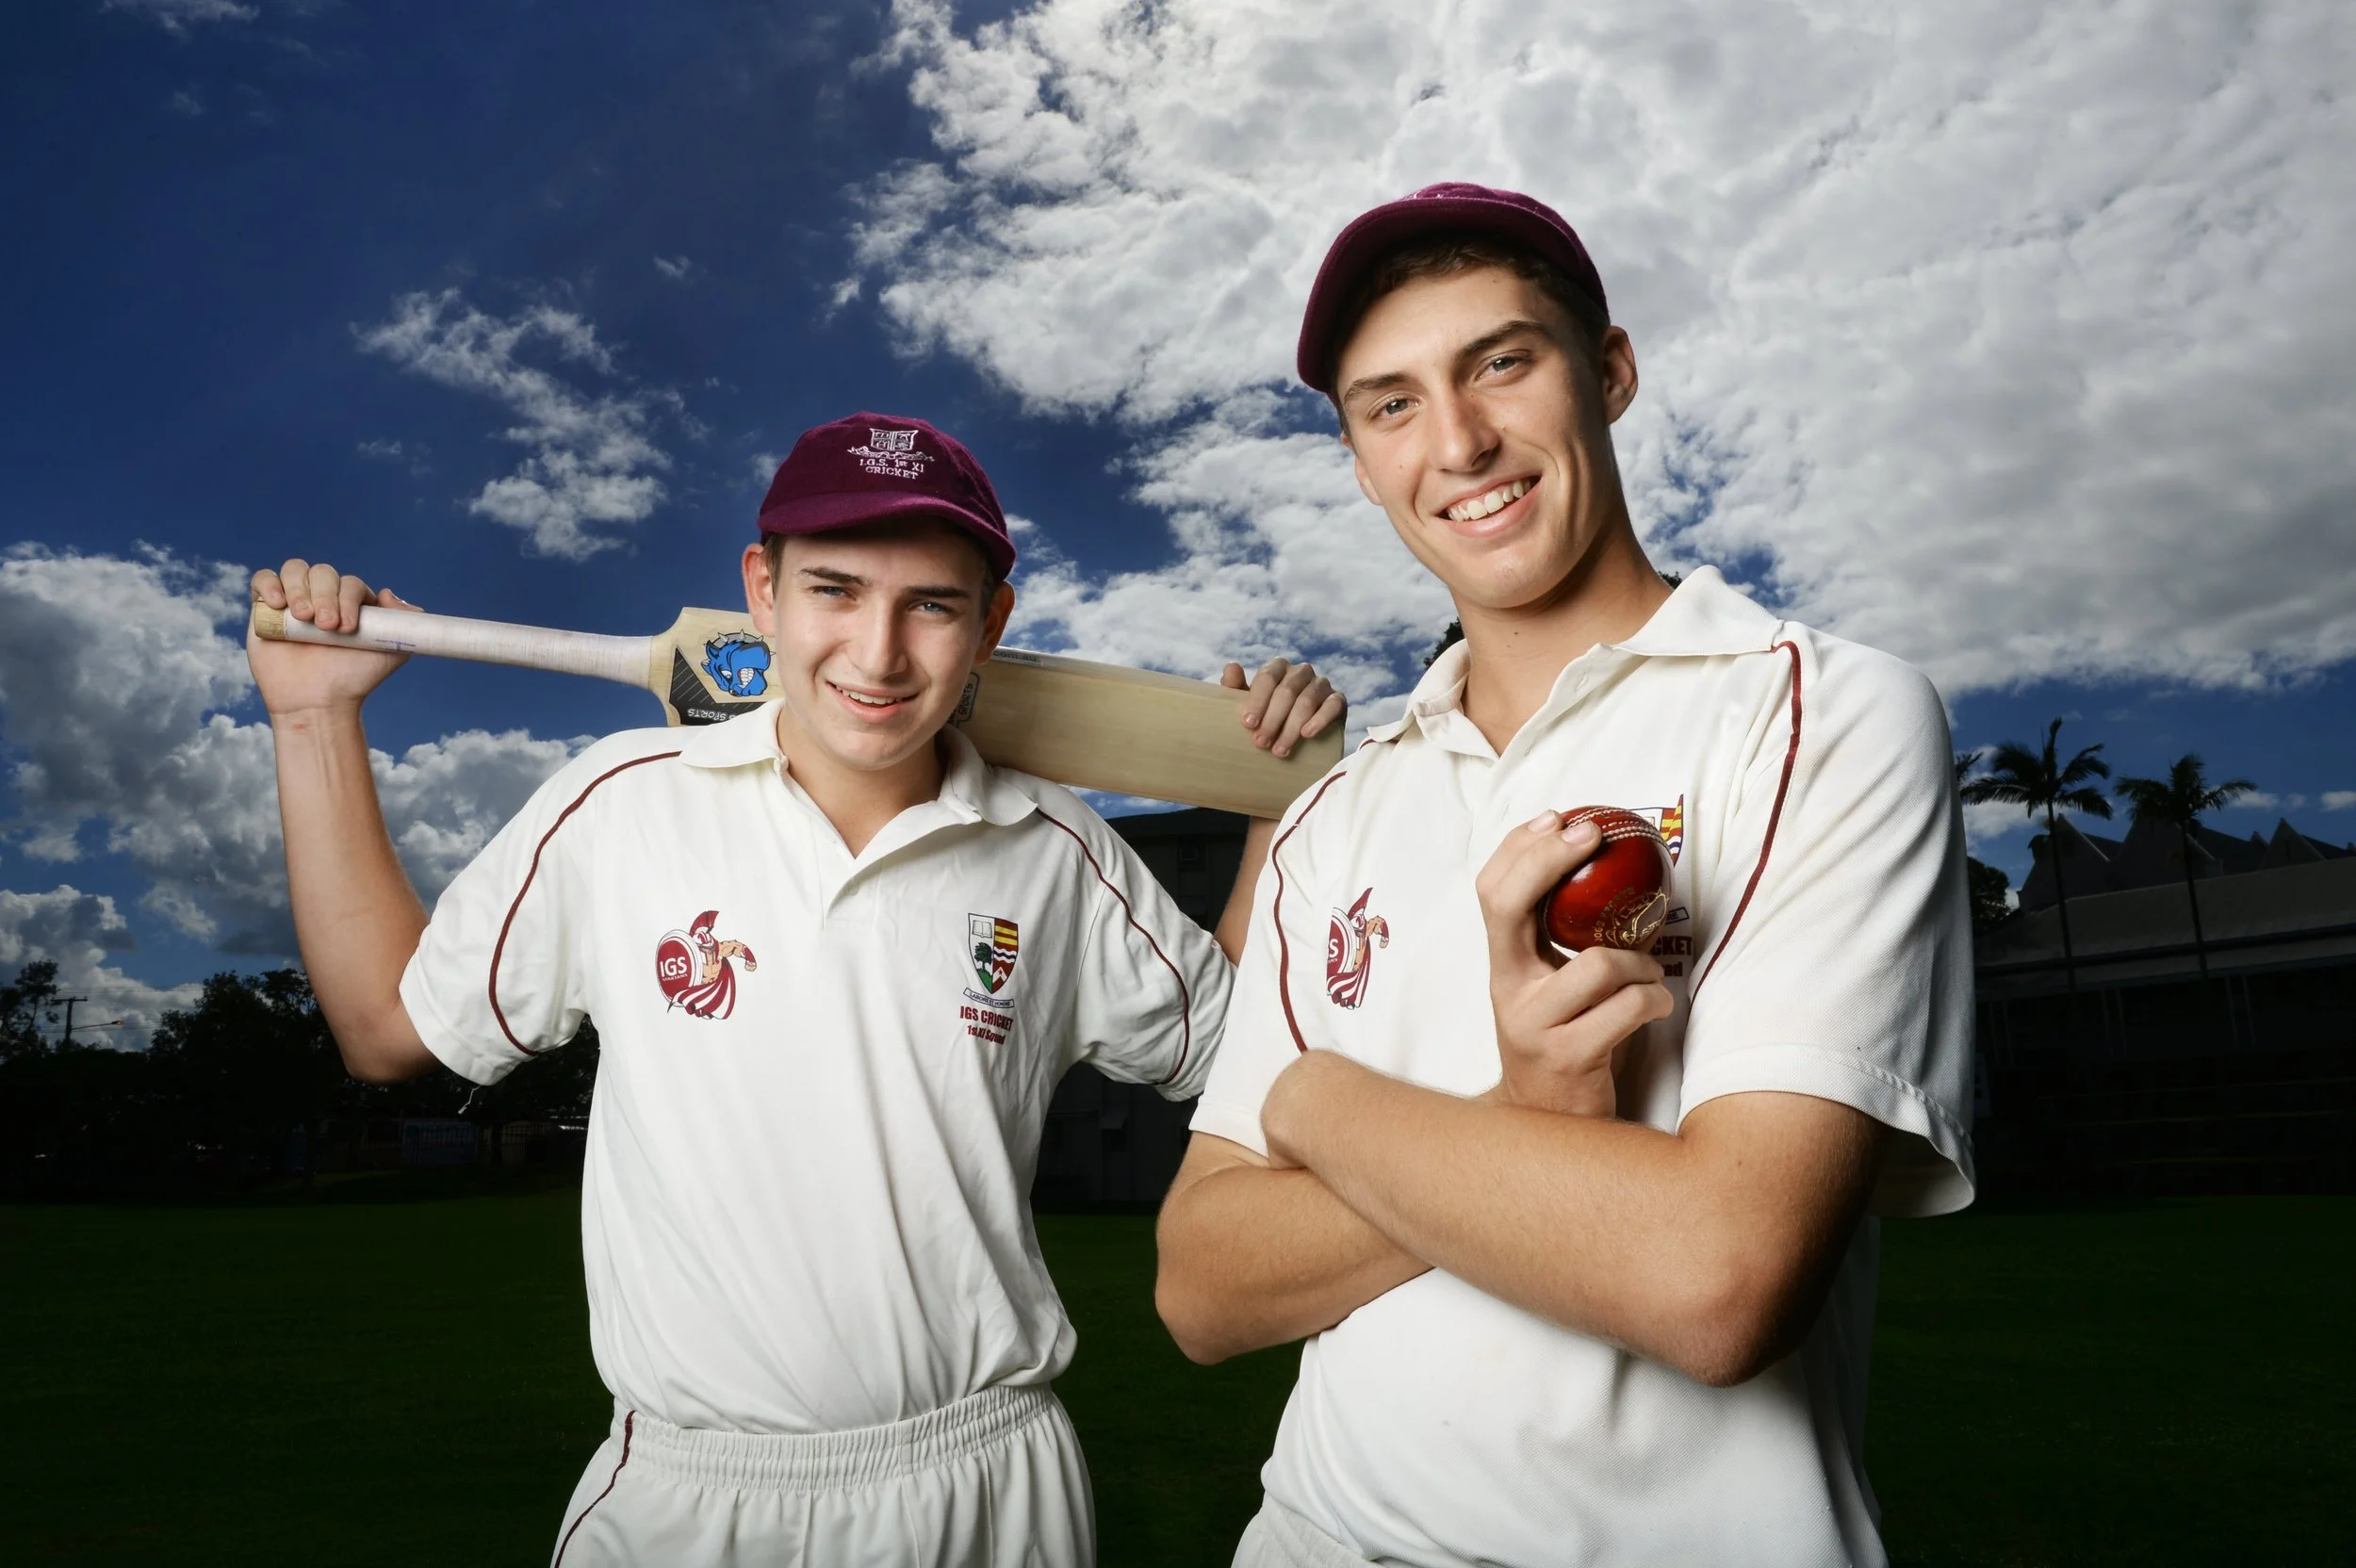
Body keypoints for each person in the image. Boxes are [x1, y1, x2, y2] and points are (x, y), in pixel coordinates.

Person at [247, 412, 1341, 1567]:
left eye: (931, 602)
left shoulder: (1053, 849)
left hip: (984, 1482)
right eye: (834, 589)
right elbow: (385, 1029)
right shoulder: (619, 803)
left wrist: (1263, 802)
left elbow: (1236, 1045)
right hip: (688, 1495)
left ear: (991, 625)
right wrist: (314, 716)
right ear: (760, 592)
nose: (877, 654)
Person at [1156, 184, 1974, 1568]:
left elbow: (1713, 1276)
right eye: (1392, 404)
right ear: (1358, 458)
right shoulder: (1329, 818)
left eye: (1503, 362)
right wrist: (1527, 1113)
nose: (1460, 441)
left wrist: (1317, 1096)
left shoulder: (1818, 714)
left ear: (1610, 371)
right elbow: (1201, 1285)